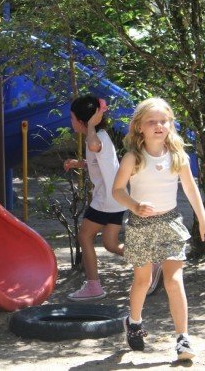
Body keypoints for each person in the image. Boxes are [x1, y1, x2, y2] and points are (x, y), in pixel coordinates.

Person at [112, 98, 205, 361]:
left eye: (163, 121)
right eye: (151, 121)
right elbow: (117, 191)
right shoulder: (132, 157)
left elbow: (191, 190)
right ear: (139, 127)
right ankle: (134, 322)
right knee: (143, 280)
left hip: (170, 222)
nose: (158, 126)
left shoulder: (178, 157)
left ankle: (183, 338)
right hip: (140, 225)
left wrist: (204, 221)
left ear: (170, 124)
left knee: (174, 279)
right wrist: (134, 205)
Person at [64, 95, 132, 301]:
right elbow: (99, 162)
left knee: (84, 236)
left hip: (106, 199)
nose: (71, 122)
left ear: (84, 121)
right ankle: (151, 260)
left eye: (73, 118)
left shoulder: (97, 137)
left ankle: (94, 286)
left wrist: (92, 125)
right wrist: (80, 163)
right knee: (111, 244)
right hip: (117, 198)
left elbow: (95, 147)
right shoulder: (99, 136)